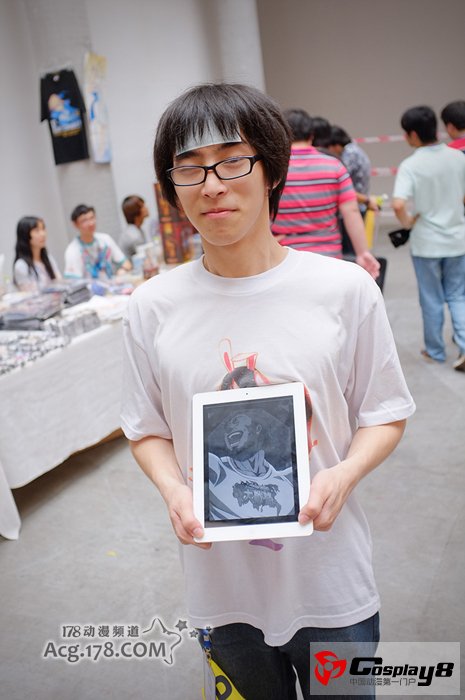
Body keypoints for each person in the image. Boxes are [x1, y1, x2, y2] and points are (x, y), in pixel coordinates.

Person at [121, 82, 415, 699]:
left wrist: (345, 474)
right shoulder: (151, 307)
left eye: (232, 161)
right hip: (220, 592)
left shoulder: (343, 290)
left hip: (331, 584)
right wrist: (174, 490)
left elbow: (386, 412)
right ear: (171, 186)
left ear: (271, 170)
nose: (212, 185)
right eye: (190, 168)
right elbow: (146, 428)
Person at [392, 105, 465, 372]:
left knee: (431, 298)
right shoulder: (458, 158)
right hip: (458, 239)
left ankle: (435, 351)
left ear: (413, 134)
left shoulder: (411, 165)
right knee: (458, 296)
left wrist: (408, 222)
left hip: (426, 243)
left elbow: (398, 204)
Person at [271, 108, 380, 278]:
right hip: (328, 256)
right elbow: (351, 211)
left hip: (284, 256)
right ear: (311, 135)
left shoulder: (273, 170)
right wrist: (362, 252)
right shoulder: (335, 166)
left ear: (282, 135)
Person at [208, 409, 295, 520]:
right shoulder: (217, 469)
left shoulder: (287, 481)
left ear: (257, 429)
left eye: (235, 421)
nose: (229, 428)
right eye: (226, 428)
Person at [64, 204, 132, 280]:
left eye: (92, 218)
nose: (91, 223)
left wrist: (123, 271)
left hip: (111, 285)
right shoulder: (73, 250)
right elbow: (73, 282)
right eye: (84, 220)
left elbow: (126, 264)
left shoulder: (105, 239)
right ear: (75, 224)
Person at [13, 216, 62, 292]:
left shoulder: (48, 258)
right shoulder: (21, 265)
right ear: (25, 235)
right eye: (37, 230)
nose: (43, 234)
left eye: (43, 229)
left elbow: (60, 283)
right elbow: (30, 295)